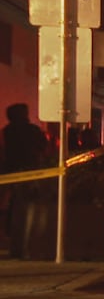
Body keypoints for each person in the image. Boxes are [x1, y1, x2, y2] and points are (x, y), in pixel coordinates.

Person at [2, 103, 50, 258]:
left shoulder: (6, 132)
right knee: (28, 211)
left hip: (11, 175)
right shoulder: (32, 131)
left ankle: (16, 246)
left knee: (15, 210)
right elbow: (44, 148)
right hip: (31, 174)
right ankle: (25, 248)